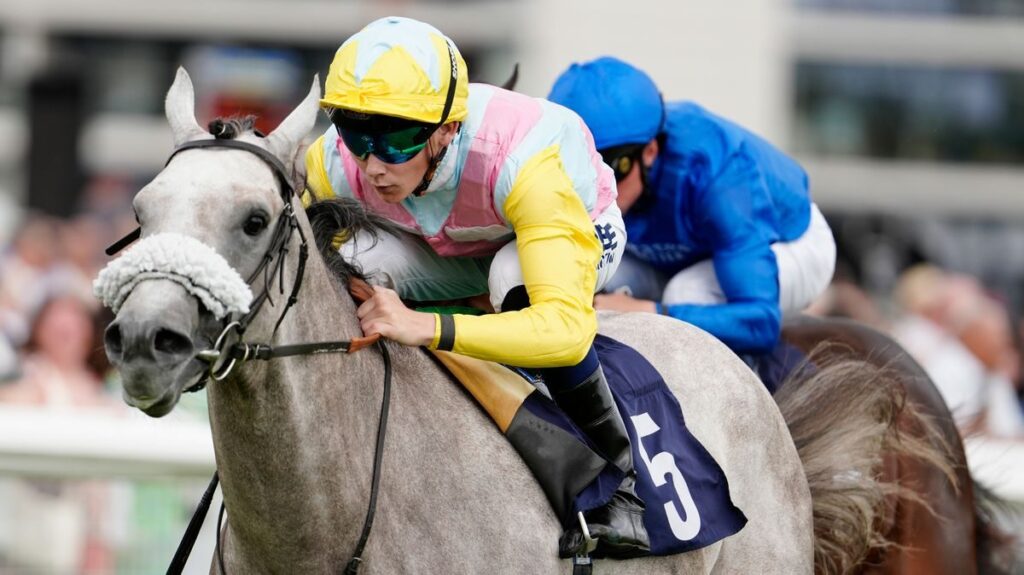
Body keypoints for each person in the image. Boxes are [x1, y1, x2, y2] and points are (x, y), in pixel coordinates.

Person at [304, 17, 647, 557]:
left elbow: (564, 333)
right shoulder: (332, 164)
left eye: (394, 141)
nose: (371, 165)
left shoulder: (522, 158)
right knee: (341, 263)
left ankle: (621, 485)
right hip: (451, 245)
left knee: (511, 277)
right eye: (355, 133)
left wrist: (426, 326)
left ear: (446, 128)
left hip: (572, 227)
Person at [548, 57, 837, 354]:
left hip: (791, 244)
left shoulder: (716, 175)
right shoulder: (628, 163)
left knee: (686, 292)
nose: (595, 190)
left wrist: (649, 310)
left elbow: (758, 321)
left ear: (649, 152)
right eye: (576, 170)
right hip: (684, 252)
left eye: (610, 168)